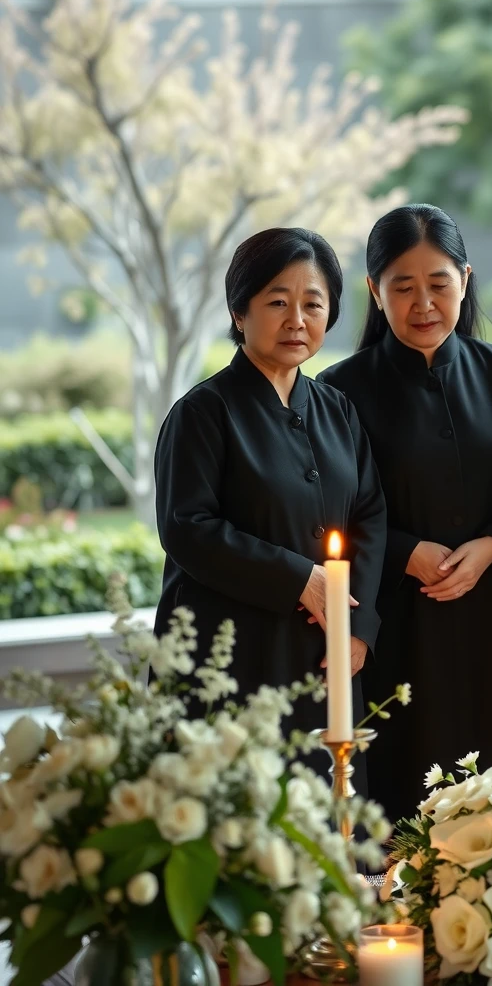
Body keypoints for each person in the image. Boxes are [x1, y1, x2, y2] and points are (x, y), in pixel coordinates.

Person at [318, 204, 492, 821]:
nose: (424, 304)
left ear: (465, 279)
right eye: (402, 287)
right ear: (373, 290)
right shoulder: (339, 389)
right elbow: (331, 512)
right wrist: (407, 552)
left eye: (439, 284)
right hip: (396, 623)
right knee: (407, 796)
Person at [154, 227, 387, 745]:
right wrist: (300, 579)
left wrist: (360, 626)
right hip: (229, 656)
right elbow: (187, 528)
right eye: (278, 302)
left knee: (332, 789)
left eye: (313, 304)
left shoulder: (337, 409)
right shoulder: (202, 413)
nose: (297, 320)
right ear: (239, 312)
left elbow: (369, 513)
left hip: (325, 654)